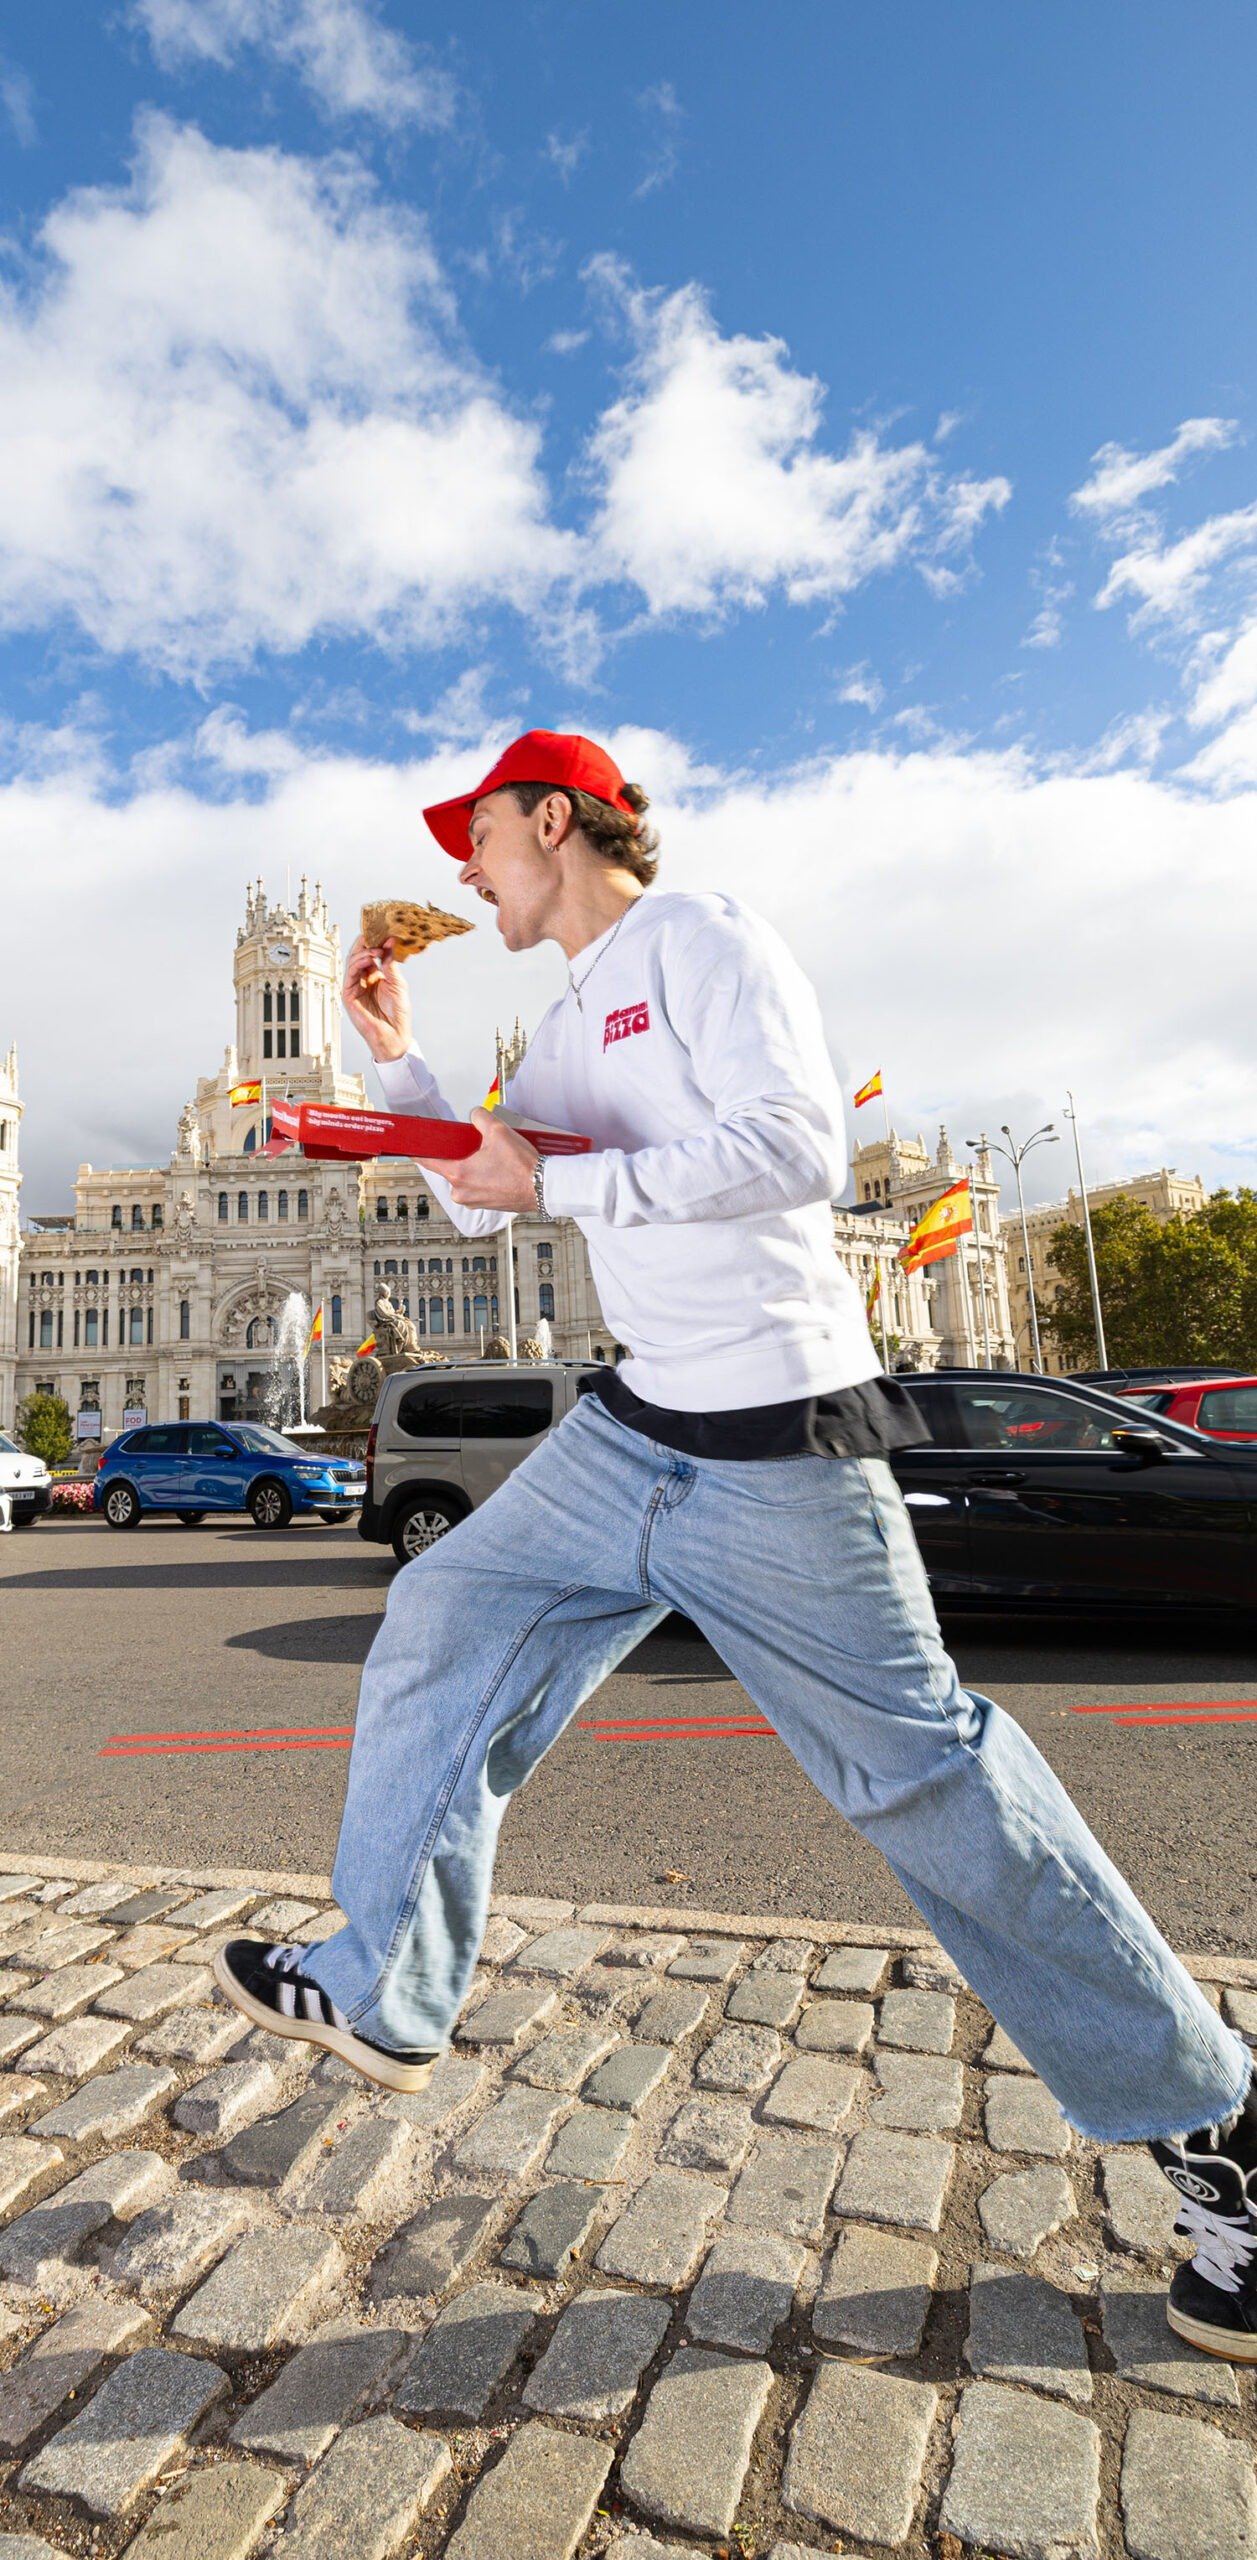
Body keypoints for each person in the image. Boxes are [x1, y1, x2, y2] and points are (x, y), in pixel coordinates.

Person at [216, 728, 1257, 2363]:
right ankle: (383, 1983)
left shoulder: (699, 939)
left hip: (777, 1435)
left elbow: (794, 1151)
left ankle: (1218, 2126)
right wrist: (399, 1068)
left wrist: (582, 1181)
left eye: (473, 837)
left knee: (923, 1779)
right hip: (632, 1424)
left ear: (549, 820)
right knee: (443, 1608)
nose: (458, 870)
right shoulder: (566, 1014)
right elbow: (491, 1198)